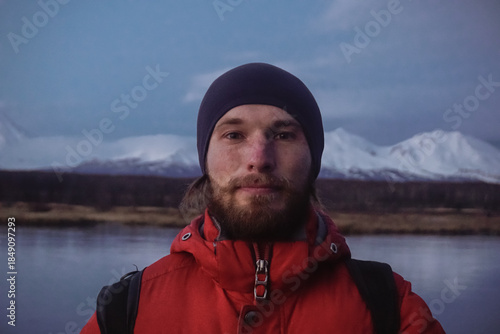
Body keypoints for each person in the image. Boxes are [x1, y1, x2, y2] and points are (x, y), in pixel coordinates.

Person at [81, 63, 444, 333]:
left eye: (284, 135)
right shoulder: (127, 309)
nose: (259, 158)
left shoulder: (388, 305)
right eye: (234, 135)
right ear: (204, 158)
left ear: (312, 159)